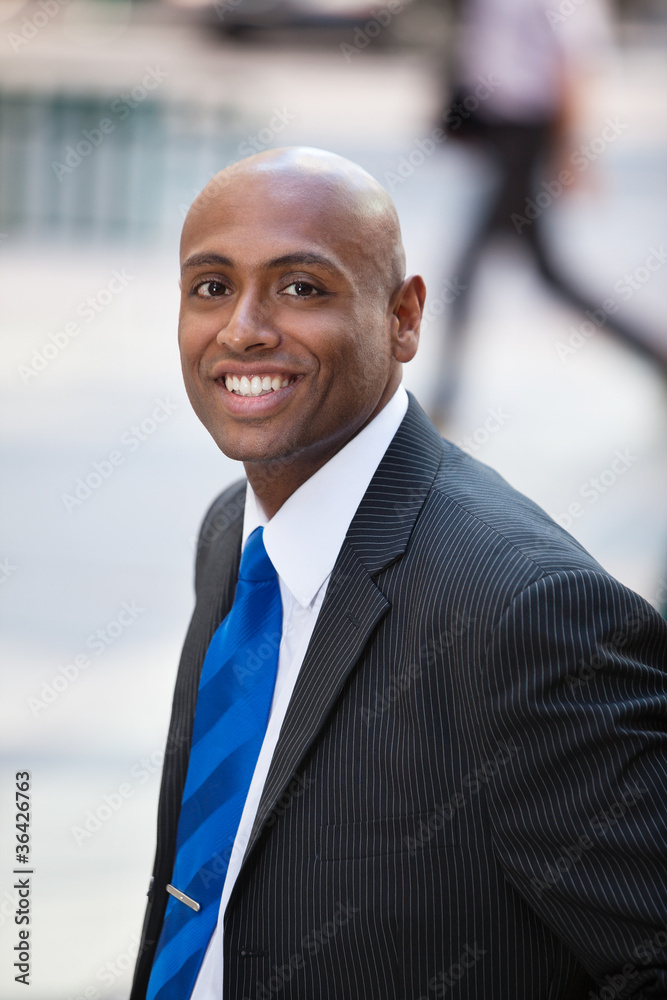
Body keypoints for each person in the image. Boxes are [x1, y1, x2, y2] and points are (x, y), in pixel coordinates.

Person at [130, 147, 667, 1000]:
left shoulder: (523, 611)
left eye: (301, 287)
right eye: (211, 287)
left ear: (404, 318)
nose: (242, 329)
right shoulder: (233, 535)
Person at [430, 0, 667, 424]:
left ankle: (445, 400)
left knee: (470, 271)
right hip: (500, 133)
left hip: (528, 136)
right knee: (548, 275)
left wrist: (569, 151)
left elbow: (573, 63)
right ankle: (656, 355)